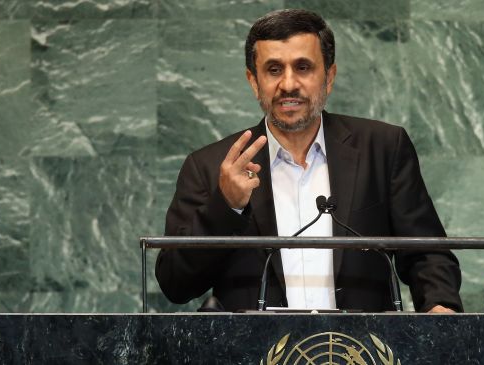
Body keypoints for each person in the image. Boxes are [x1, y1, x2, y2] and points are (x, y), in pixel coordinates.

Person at [155, 9, 463, 313]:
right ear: (253, 80)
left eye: (303, 67)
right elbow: (175, 284)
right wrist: (226, 206)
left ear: (329, 77)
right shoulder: (210, 166)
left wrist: (440, 309)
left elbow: (429, 256)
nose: (289, 84)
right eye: (274, 70)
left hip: (362, 352)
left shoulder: (382, 148)